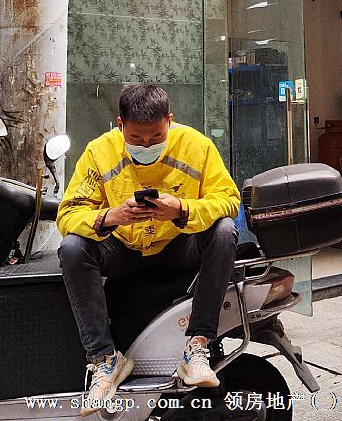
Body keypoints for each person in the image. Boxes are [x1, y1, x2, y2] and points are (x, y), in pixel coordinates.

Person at [57, 84, 240, 416]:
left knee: (225, 230)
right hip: (123, 250)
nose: (146, 145)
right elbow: (68, 215)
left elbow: (228, 200)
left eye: (156, 137)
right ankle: (104, 360)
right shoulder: (99, 152)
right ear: (120, 125)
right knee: (71, 247)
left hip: (178, 245)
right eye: (136, 138)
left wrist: (181, 209)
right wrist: (111, 216)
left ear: (169, 120)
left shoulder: (197, 146)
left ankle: (197, 346)